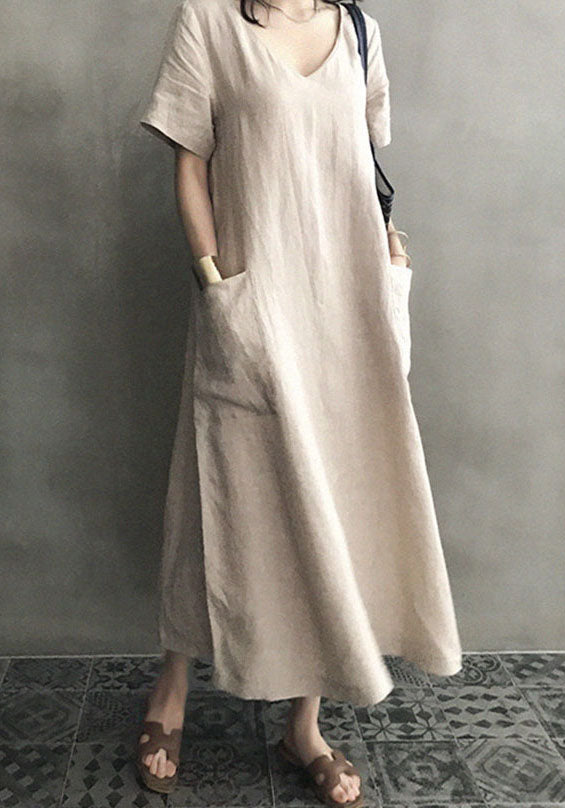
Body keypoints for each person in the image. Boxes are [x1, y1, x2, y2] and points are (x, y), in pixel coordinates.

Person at [136, 0, 463, 801]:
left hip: (346, 307)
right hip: (256, 298)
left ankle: (304, 726)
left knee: (333, 498)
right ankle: (170, 692)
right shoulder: (210, 21)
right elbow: (190, 165)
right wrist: (219, 286)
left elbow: (355, 160)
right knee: (219, 490)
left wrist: (390, 263)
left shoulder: (359, 30)